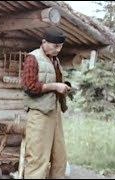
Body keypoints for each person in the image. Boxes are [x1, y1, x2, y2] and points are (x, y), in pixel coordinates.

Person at [21, 26, 71, 179]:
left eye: (61, 46)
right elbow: (29, 86)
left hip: (54, 113)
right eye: (55, 46)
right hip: (39, 115)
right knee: (37, 160)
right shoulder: (33, 58)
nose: (58, 49)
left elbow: (53, 80)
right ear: (44, 42)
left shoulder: (55, 60)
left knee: (60, 159)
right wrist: (55, 86)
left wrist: (64, 86)